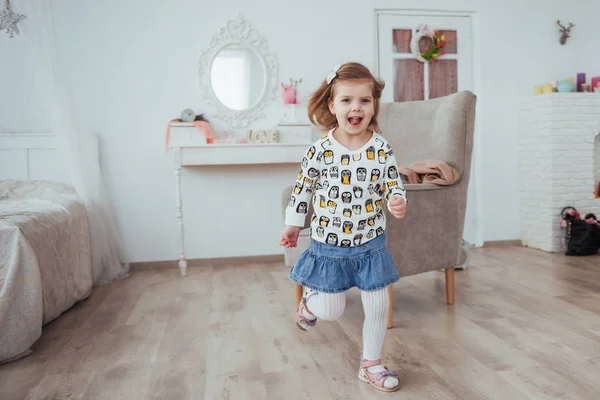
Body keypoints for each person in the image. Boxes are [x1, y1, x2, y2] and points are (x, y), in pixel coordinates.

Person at [280, 62, 407, 393]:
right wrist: (293, 225)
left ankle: (371, 364)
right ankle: (310, 303)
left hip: (370, 242)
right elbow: (302, 189)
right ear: (332, 106)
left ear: (374, 105)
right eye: (347, 100)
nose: (356, 107)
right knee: (333, 311)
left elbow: (393, 185)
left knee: (378, 305)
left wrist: (397, 201)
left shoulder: (381, 148)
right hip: (330, 245)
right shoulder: (320, 149)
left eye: (365, 100)